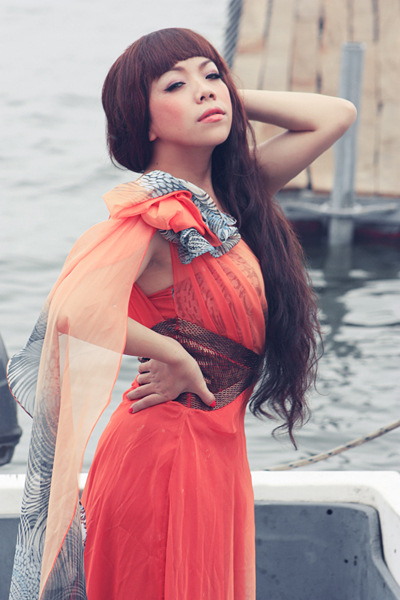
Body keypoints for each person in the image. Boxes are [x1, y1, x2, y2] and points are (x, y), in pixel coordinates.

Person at [7, 27, 356, 600]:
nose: (205, 91)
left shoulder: (232, 197)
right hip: (164, 452)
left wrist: (226, 96)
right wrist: (171, 353)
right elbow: (71, 310)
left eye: (211, 75)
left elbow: (335, 115)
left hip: (213, 446)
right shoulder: (155, 214)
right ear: (143, 121)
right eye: (175, 84)